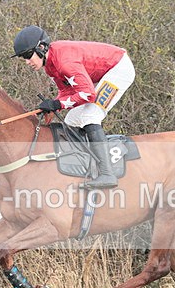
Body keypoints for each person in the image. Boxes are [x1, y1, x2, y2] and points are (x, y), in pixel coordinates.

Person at [12, 25, 135, 189]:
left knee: (90, 115)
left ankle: (107, 173)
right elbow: (67, 90)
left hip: (119, 68)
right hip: (98, 75)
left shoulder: (64, 62)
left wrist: (57, 104)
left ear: (41, 47)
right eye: (23, 58)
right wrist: (53, 106)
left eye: (28, 56)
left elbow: (88, 94)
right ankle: (88, 166)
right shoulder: (50, 65)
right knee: (71, 120)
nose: (27, 62)